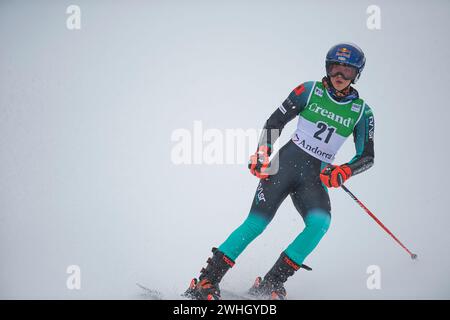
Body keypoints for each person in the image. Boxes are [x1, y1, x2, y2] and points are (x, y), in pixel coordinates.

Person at [184, 43, 375, 300]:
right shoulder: (309, 91)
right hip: (283, 166)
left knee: (319, 224)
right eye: (334, 68)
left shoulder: (362, 112)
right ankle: (207, 280)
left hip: (314, 177)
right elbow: (275, 122)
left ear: (357, 74)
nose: (339, 76)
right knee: (256, 224)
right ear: (327, 68)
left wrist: (344, 171)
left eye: (347, 71)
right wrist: (263, 151)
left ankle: (272, 283)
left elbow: (367, 156)